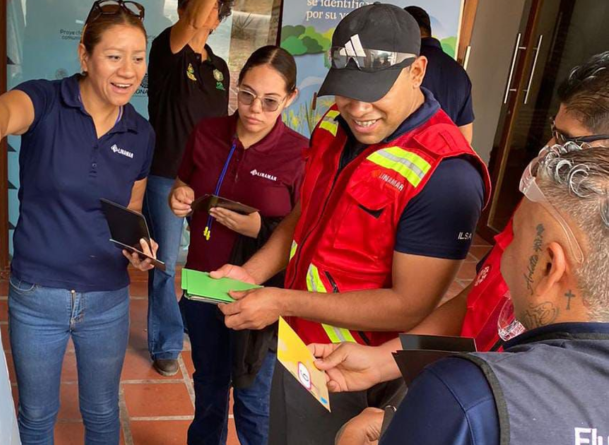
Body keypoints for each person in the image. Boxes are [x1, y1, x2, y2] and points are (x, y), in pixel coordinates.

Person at [210, 4, 490, 444]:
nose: (358, 109)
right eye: (346, 91)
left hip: (356, 368)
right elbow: (305, 218)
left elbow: (409, 305)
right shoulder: (333, 126)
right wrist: (253, 274)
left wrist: (281, 301)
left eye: (373, 91)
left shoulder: (447, 175)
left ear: (417, 72)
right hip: (299, 341)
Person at [311, 51, 609, 444]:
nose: (547, 155)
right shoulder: (542, 208)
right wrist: (384, 361)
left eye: (567, 144)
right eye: (552, 135)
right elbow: (480, 300)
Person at [0, 2, 157, 443]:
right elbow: (3, 110)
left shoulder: (141, 134)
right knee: (36, 416)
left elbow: (130, 212)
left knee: (101, 414)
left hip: (106, 301)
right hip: (38, 297)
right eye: (114, 56)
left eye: (138, 57)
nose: (128, 71)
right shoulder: (47, 99)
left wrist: (137, 249)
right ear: (84, 56)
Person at [378, 143, 609, 445]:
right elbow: (470, 318)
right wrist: (380, 360)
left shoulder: (465, 396)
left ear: (549, 267)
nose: (503, 253)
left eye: (514, 236)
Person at [169, 45, 307, 445]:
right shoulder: (208, 132)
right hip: (203, 282)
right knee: (209, 385)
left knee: (253, 399)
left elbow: (303, 233)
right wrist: (179, 196)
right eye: (246, 94)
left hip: (258, 295)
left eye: (269, 102)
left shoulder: (299, 153)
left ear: (291, 98)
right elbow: (185, 184)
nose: (254, 110)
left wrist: (259, 228)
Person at [144, 0, 233, 377]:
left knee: (205, 261)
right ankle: (165, 342)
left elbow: (221, 131)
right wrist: (197, 12)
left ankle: (188, 319)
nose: (211, 14)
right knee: (164, 264)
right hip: (166, 175)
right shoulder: (169, 49)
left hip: (206, 182)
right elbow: (193, 20)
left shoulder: (219, 68)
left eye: (218, 8)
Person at [404, 5, 475, 143]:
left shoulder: (404, 66)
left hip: (403, 157)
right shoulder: (459, 73)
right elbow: (465, 136)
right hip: (443, 158)